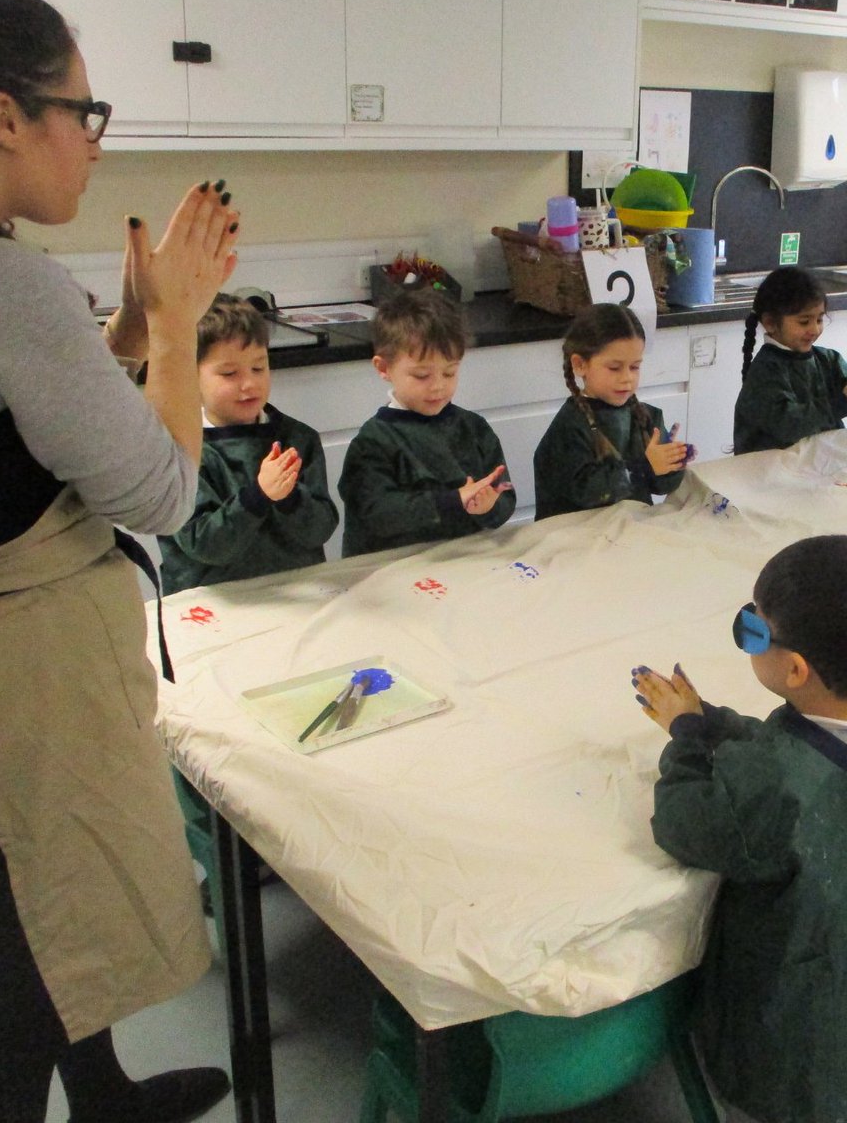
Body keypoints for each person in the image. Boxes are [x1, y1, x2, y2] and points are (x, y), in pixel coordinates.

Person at [0, 0, 241, 1123]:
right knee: (29, 971)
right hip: (0, 685)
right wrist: (181, 323)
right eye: (82, 114)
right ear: (2, 115)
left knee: (43, 917)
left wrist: (122, 337)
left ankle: (106, 1099)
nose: (95, 145)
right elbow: (163, 492)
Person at [632, 535, 847, 1123]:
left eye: (752, 633)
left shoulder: (773, 790)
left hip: (800, 1063)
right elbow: (800, 742)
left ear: (796, 668)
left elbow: (682, 820)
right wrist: (715, 721)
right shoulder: (806, 746)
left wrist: (687, 738)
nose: (748, 637)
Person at [157, 293, 338, 590]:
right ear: (190, 376)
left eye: (259, 367)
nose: (250, 383)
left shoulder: (298, 439)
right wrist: (257, 496)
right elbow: (204, 544)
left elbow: (320, 530)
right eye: (229, 373)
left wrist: (289, 497)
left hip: (295, 591)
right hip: (213, 603)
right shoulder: (179, 450)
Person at [337, 288, 515, 557]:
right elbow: (378, 514)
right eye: (422, 376)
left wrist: (489, 507)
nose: (438, 387)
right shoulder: (373, 442)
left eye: (449, 372)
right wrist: (453, 501)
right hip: (395, 570)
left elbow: (504, 498)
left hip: (464, 562)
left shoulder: (474, 428)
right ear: (384, 368)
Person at [532, 303, 689, 521]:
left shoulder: (647, 418)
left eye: (635, 367)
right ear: (579, 365)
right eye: (614, 368)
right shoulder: (568, 428)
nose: (627, 378)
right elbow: (588, 492)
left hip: (630, 533)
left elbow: (662, 486)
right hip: (575, 539)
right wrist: (643, 467)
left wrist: (673, 463)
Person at [733, 266, 847, 455]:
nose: (815, 330)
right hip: (767, 471)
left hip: (813, 464)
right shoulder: (766, 370)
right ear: (770, 323)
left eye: (819, 320)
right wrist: (840, 402)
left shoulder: (829, 359)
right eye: (804, 322)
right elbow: (789, 425)